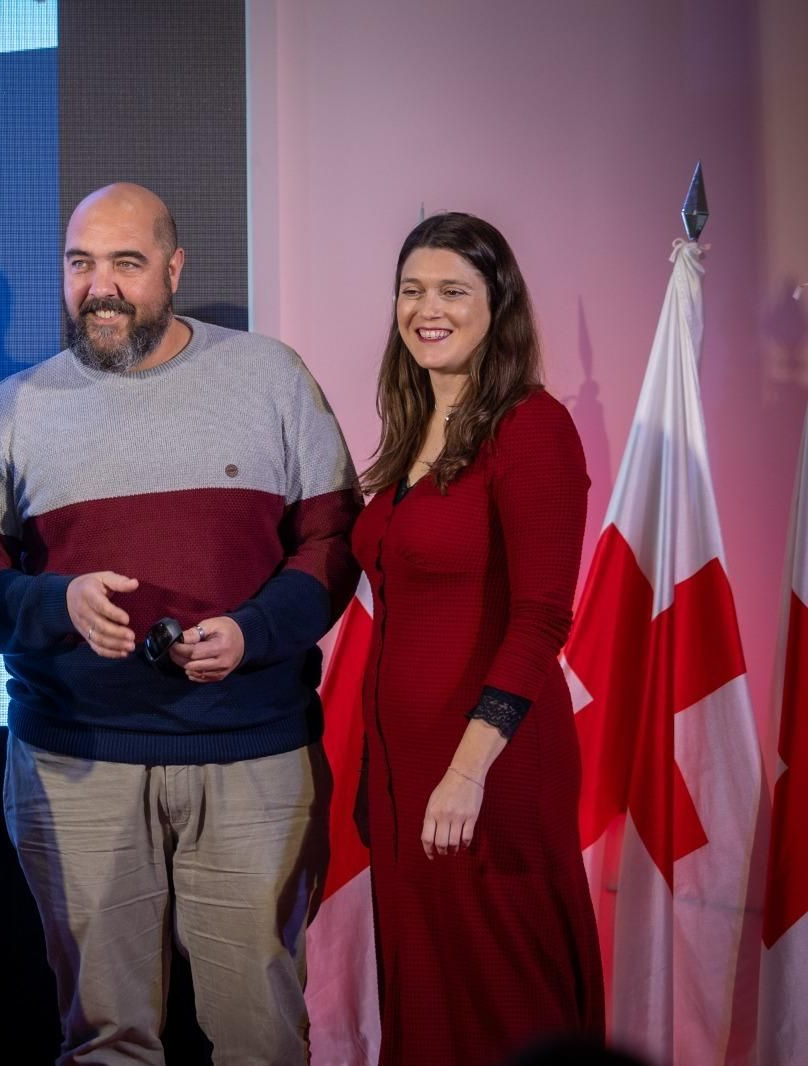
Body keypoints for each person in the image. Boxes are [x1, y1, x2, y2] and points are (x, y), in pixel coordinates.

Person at [0, 183, 361, 1064]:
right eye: (81, 263)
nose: (101, 286)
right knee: (106, 1040)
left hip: (252, 752)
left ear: (173, 269)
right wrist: (53, 604)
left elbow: (334, 540)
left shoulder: (270, 376)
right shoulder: (13, 408)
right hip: (76, 758)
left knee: (261, 1036)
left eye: (126, 264)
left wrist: (254, 632)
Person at [349, 212, 605, 1063]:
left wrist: (465, 773)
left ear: (498, 305)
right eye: (412, 289)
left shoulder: (531, 428)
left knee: (503, 1004)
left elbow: (540, 617)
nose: (429, 308)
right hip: (400, 772)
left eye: (454, 290)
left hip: (486, 768)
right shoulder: (411, 431)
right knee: (427, 1002)